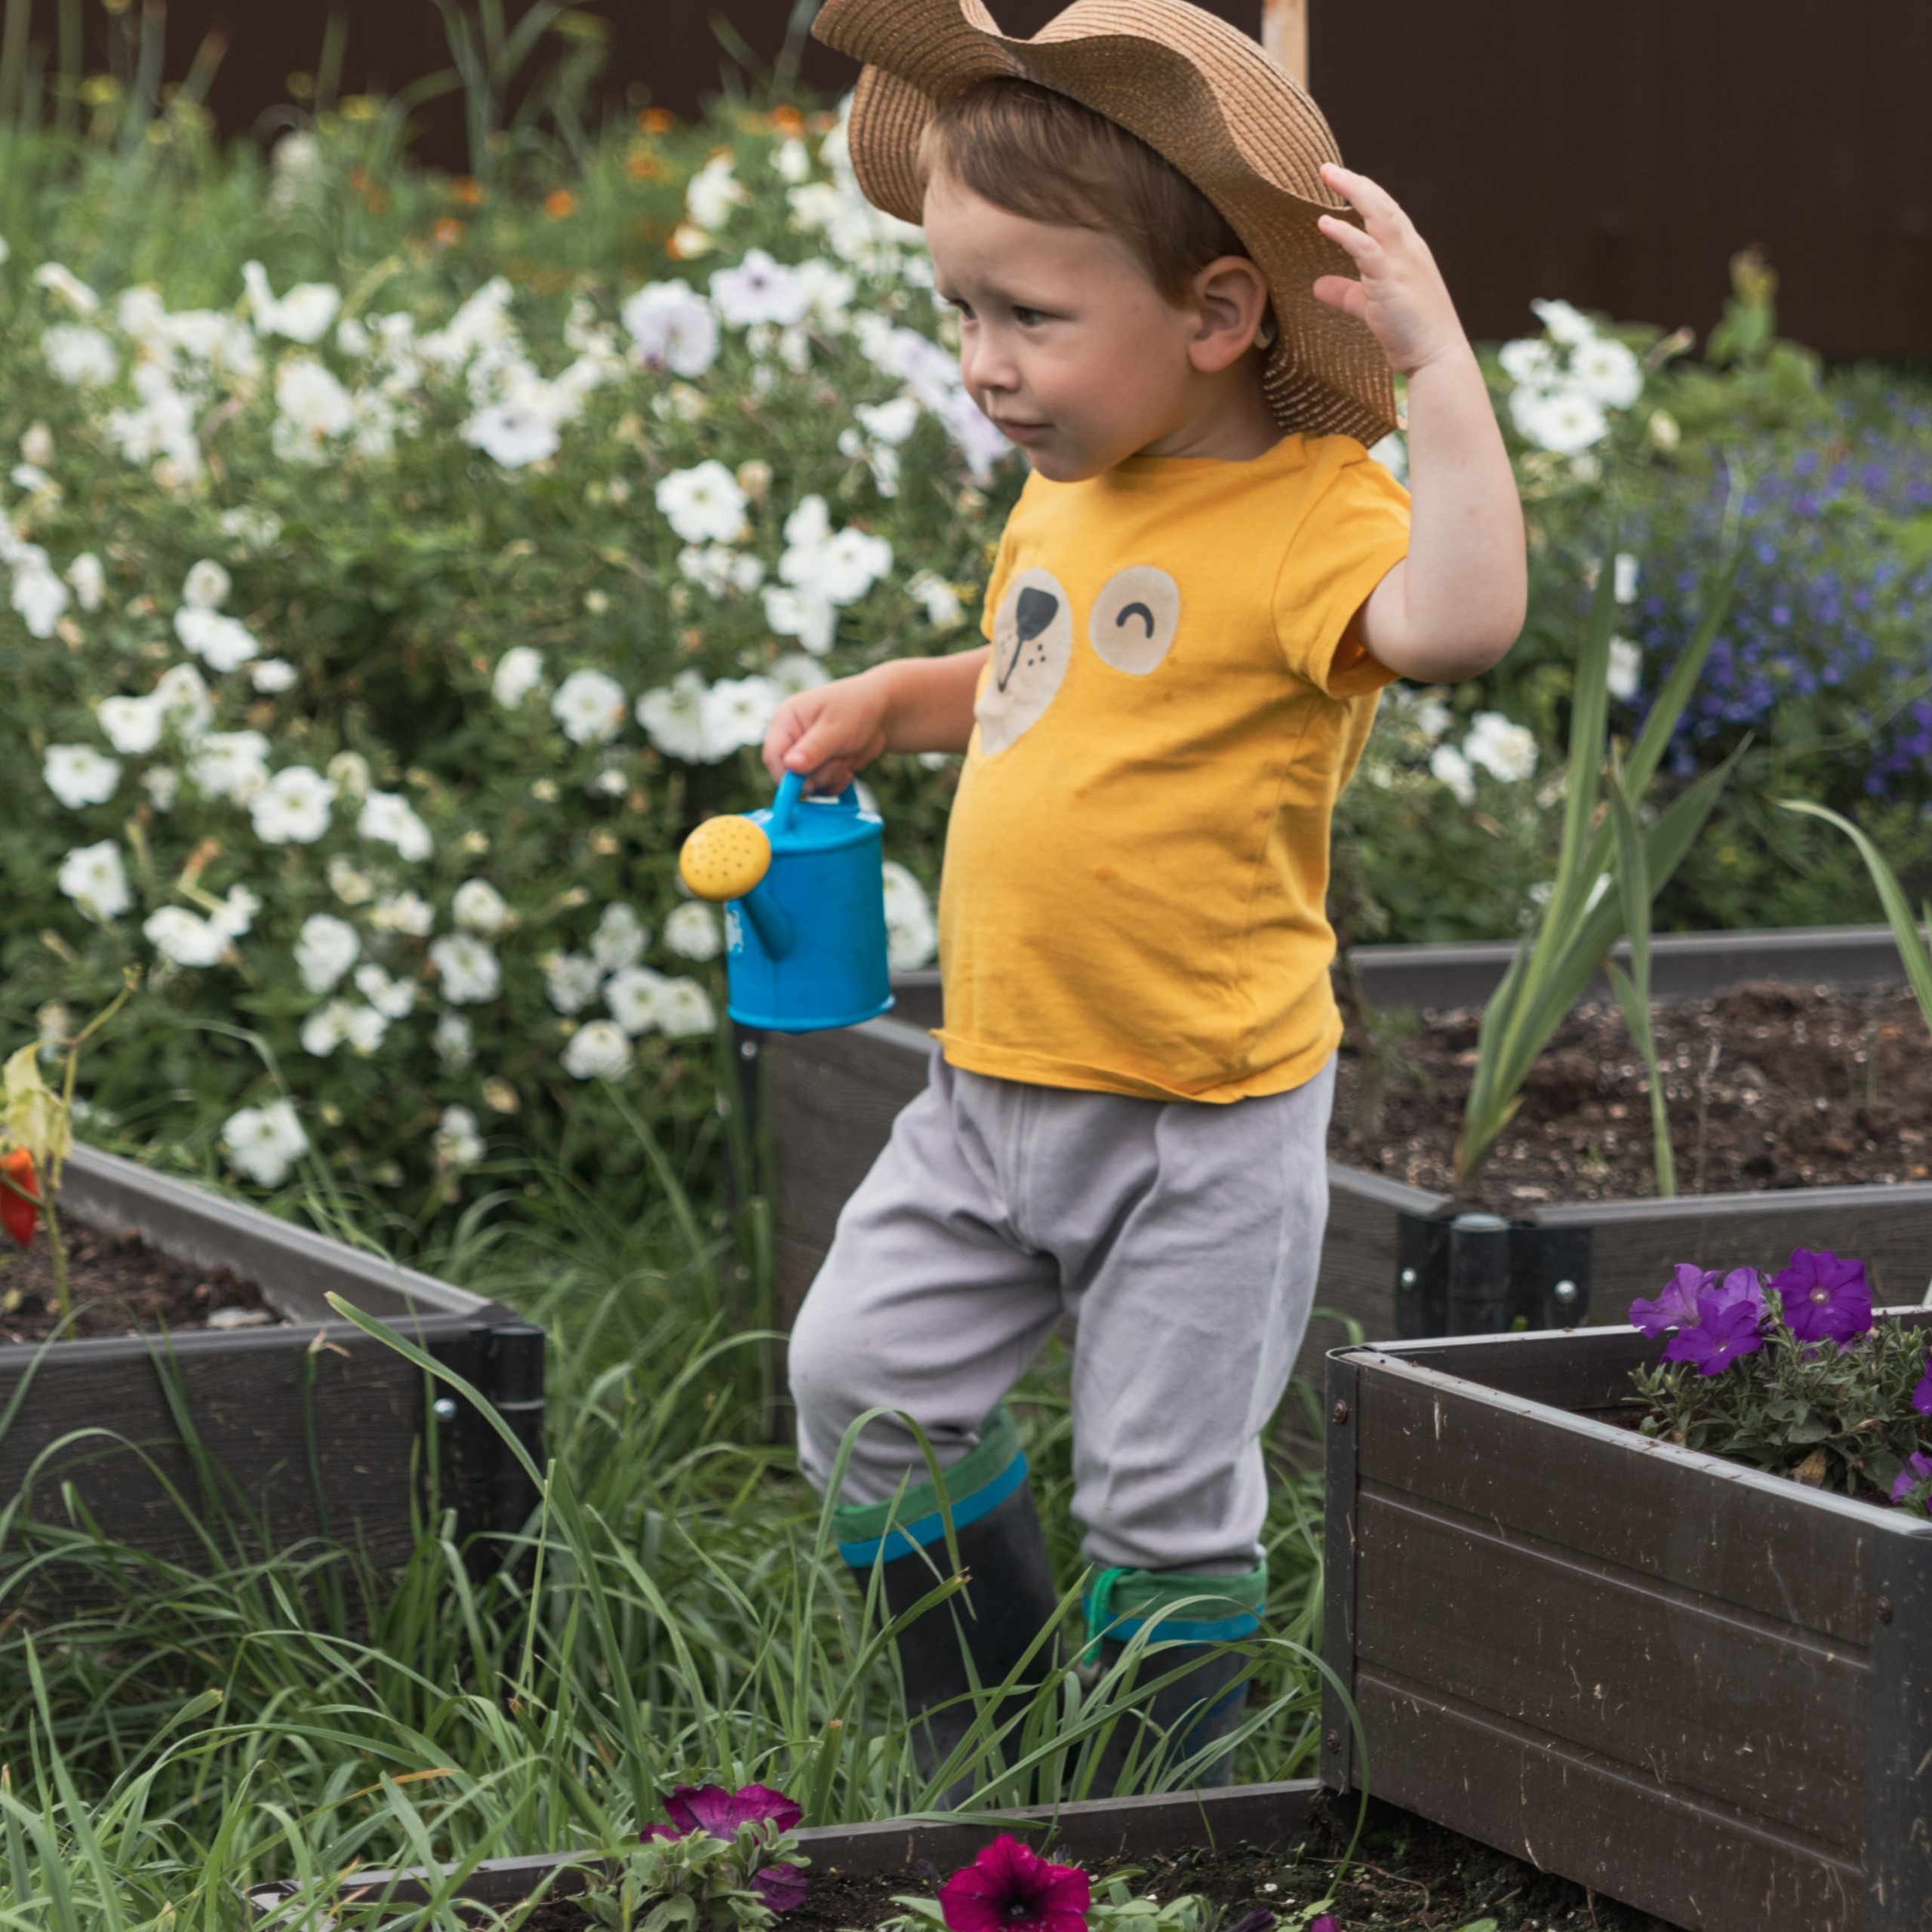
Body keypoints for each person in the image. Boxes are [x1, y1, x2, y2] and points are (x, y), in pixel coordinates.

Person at [765, 0, 1526, 1795]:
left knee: (1161, 1494)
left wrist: (1435, 369)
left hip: (1197, 1115)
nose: (982, 361)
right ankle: (992, 1720)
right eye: (959, 310)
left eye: (1028, 315)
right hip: (990, 1080)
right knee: (859, 1383)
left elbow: (1461, 621)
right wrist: (903, 698)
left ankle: (1164, 1813)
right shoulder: (1072, 492)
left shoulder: (1311, 516)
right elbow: (1049, 679)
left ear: (1212, 315)